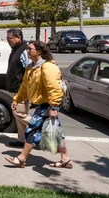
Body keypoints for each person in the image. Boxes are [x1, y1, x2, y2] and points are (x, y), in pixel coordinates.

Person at [5, 40, 73, 169]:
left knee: (32, 130)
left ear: (40, 51)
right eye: (27, 49)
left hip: (47, 105)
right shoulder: (31, 67)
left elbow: (54, 89)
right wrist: (17, 100)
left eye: (30, 49)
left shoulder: (48, 67)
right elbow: (25, 87)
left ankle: (21, 158)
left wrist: (53, 107)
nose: (27, 51)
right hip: (42, 105)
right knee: (56, 133)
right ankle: (66, 159)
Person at [5, 28, 32, 147]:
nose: (8, 40)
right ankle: (22, 140)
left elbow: (29, 70)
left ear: (18, 38)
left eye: (10, 38)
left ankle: (38, 126)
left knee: (20, 113)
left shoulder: (24, 50)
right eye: (7, 38)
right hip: (15, 89)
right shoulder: (15, 49)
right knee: (18, 116)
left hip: (21, 90)